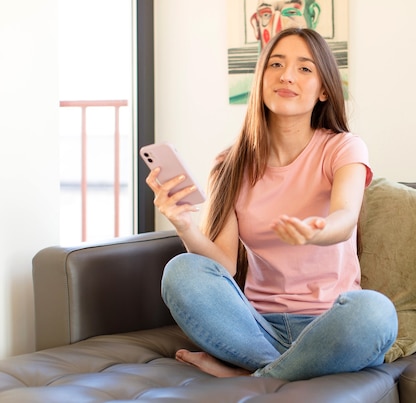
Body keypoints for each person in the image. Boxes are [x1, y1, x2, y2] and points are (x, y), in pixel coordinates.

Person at [146, 27, 398, 381]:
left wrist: (317, 231)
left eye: (305, 68)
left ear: (324, 89)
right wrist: (183, 223)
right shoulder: (229, 165)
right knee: (181, 271)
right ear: (261, 78)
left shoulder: (344, 148)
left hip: (330, 323)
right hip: (255, 327)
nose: (287, 76)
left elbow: (344, 217)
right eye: (275, 64)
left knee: (375, 313)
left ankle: (255, 377)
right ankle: (284, 368)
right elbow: (222, 264)